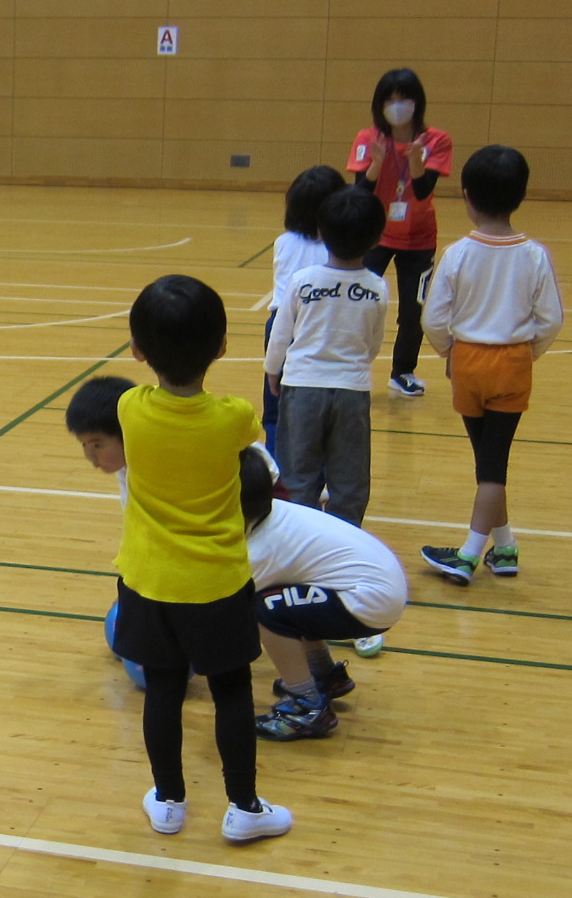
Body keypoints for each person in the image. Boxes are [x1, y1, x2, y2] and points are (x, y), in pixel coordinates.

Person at [109, 275, 292, 844]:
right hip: (216, 582)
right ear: (221, 347)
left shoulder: (129, 407)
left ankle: (168, 801)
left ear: (138, 350)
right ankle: (244, 808)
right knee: (231, 690)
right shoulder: (234, 415)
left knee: (163, 689)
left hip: (147, 579)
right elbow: (252, 452)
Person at [418, 144, 564, 585]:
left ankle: (470, 554)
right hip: (512, 364)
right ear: (520, 195)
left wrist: (448, 353)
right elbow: (551, 320)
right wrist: (528, 354)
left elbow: (433, 317)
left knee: (488, 464)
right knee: (491, 465)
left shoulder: (458, 253)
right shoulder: (534, 254)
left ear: (466, 196)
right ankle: (503, 547)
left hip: (467, 361)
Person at [240, 448, 408, 741]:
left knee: (263, 609)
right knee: (286, 599)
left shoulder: (260, 550)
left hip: (369, 599)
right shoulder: (275, 510)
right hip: (376, 586)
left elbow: (232, 613)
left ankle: (305, 705)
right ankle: (325, 676)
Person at [265, 187, 388, 529]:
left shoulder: (302, 281)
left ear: (320, 232)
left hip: (302, 386)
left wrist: (273, 369)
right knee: (349, 481)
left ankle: (299, 544)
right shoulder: (377, 287)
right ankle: (342, 548)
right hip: (352, 390)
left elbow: (281, 333)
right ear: (377, 238)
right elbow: (373, 343)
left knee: (297, 475)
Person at [348, 68, 451, 399]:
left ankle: (402, 371)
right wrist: (376, 164)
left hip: (419, 238)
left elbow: (422, 192)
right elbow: (359, 193)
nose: (397, 106)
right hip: (373, 236)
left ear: (416, 102)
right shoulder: (368, 139)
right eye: (389, 100)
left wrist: (418, 161)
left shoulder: (435, 141)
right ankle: (352, 367)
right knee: (358, 302)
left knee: (413, 310)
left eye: (403, 99)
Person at [264, 165, 344, 457]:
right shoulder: (341, 249)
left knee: (274, 411)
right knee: (321, 407)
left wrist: (273, 363)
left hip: (282, 326)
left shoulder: (283, 243)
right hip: (324, 326)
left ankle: (276, 468)